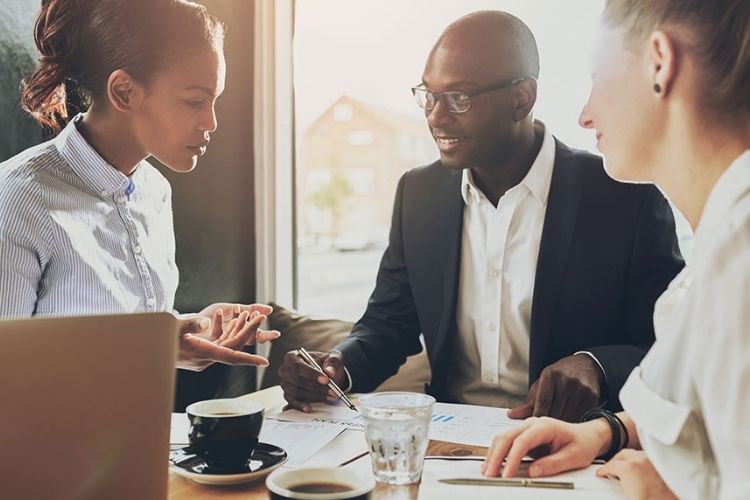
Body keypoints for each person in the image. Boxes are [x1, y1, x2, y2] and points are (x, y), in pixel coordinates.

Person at [279, 11, 684, 421]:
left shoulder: (625, 197)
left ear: (521, 99)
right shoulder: (417, 194)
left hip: (573, 441)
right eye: (429, 96)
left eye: (460, 98)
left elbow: (672, 344)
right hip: (446, 436)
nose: (436, 117)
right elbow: (387, 324)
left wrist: (595, 365)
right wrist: (336, 367)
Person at [482, 1, 750, 499]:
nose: (584, 115)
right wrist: (603, 432)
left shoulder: (741, 264)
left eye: (597, 76)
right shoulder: (722, 247)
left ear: (660, 64)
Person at [0, 0, 279, 372]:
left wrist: (182, 335)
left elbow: (125, 344)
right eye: (195, 101)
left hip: (142, 430)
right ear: (124, 93)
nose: (211, 123)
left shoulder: (154, 192)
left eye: (214, 102)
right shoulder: (19, 198)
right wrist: (155, 348)